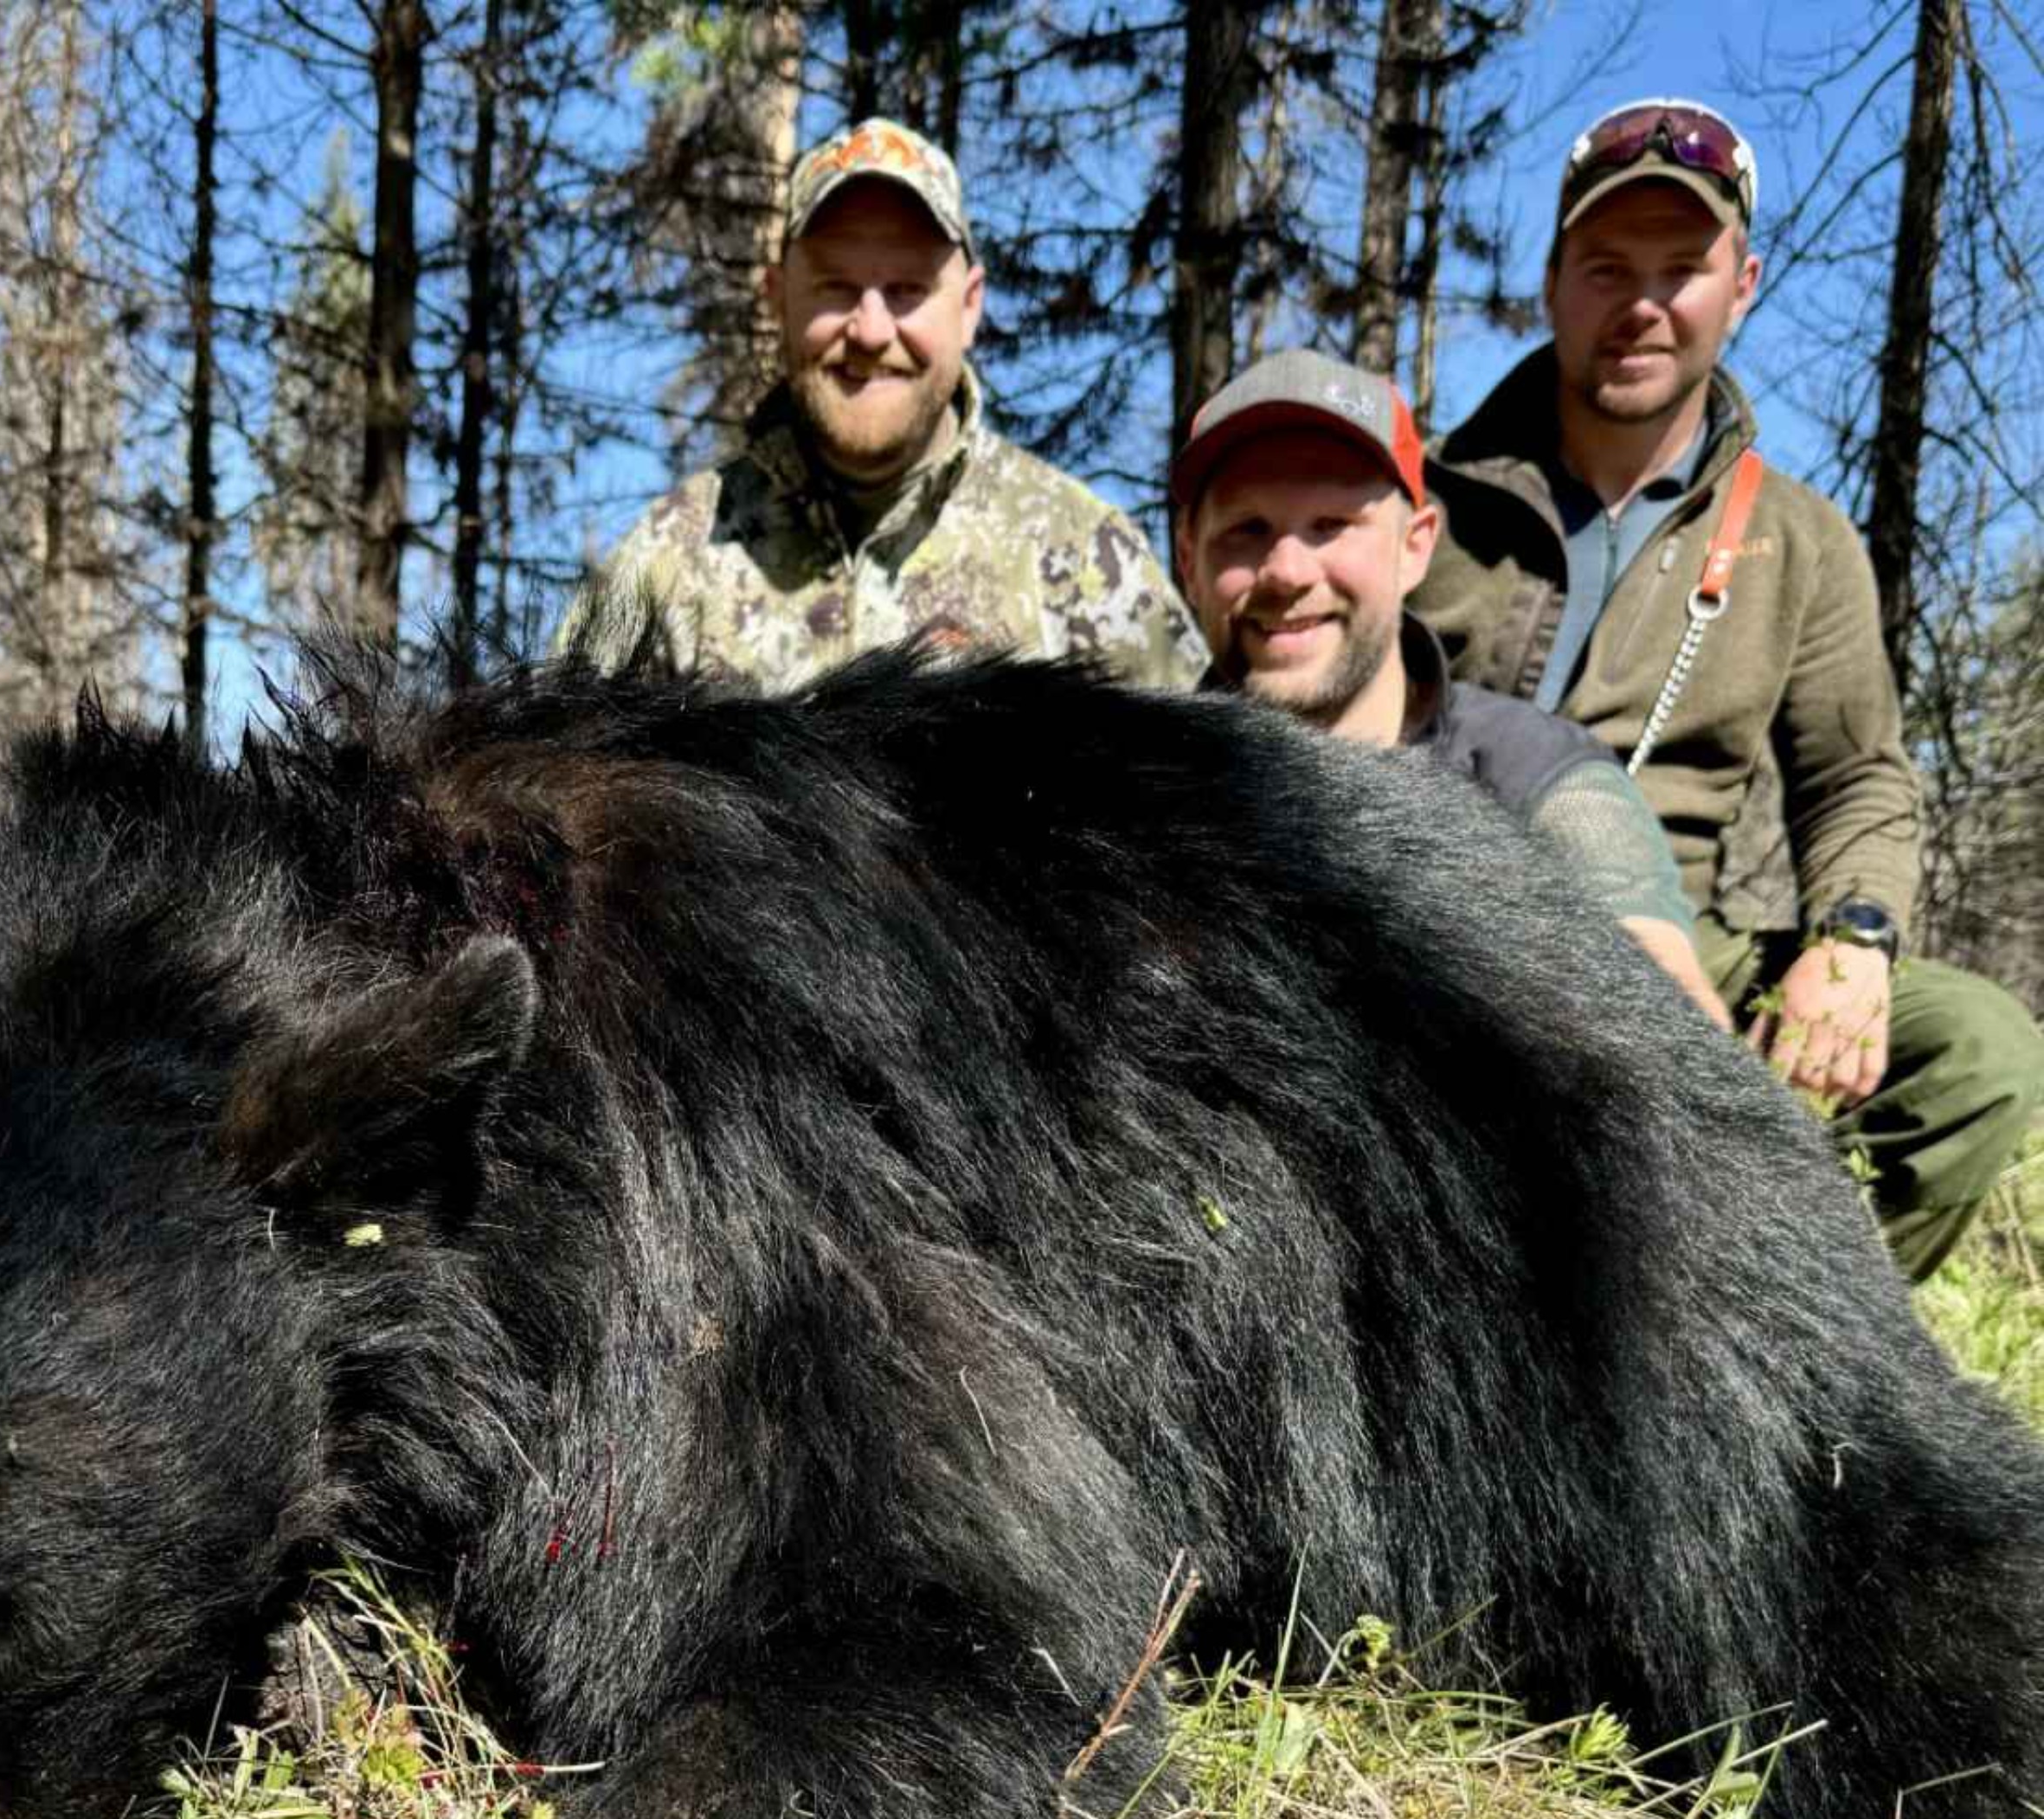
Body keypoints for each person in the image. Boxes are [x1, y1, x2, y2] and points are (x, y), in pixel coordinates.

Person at [1410, 97, 2044, 1277]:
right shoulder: (1423, 513)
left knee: (1979, 1052)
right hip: (1446, 918)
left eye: (1682, 269)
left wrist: (1854, 943)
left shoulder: (1801, 543)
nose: (1642, 305)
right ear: (1553, 284)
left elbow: (1858, 779)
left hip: (1678, 948)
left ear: (1741, 284)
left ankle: (1777, 1348)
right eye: (1606, 267)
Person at [1170, 347, 1733, 1030]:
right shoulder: (1132, 800)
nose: (1287, 571)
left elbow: (1664, 997)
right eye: (1246, 530)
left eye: (1332, 526)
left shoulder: (1531, 772)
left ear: (1416, 546)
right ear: (1187, 561)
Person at [568, 118, 1198, 690]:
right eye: (835, 287)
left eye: (907, 291)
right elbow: (555, 791)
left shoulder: (1088, 562)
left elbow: (1200, 800)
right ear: (776, 297)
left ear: (970, 306)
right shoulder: (668, 566)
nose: (871, 330)